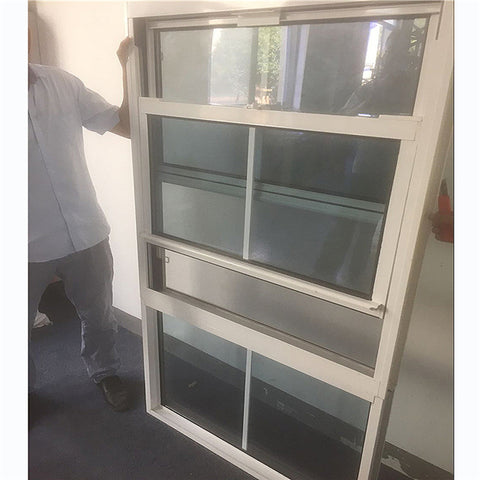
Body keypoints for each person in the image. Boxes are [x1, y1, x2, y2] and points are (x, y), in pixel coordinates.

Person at [28, 36, 133, 412]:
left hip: (85, 230)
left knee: (99, 315)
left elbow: (126, 125)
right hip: (22, 244)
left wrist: (129, 68)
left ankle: (106, 372)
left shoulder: (62, 83)